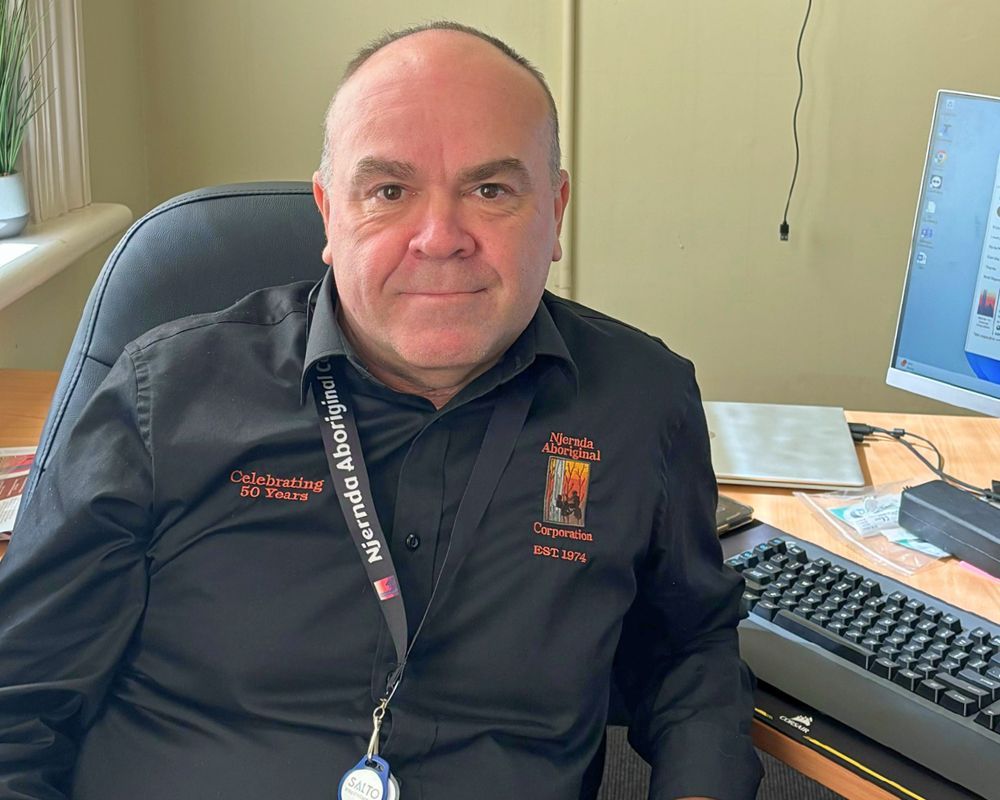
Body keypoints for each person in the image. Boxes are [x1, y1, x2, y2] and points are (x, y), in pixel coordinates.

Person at [0, 22, 762, 800]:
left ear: (555, 211)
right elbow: (16, 701)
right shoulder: (165, 395)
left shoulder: (641, 401)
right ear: (329, 213)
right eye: (390, 191)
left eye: (490, 190)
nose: (440, 238)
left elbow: (689, 647)